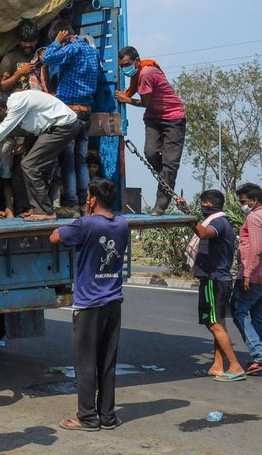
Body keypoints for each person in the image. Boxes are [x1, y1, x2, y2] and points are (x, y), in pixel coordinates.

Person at [50, 178, 129, 431]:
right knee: (107, 362)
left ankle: (87, 417)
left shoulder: (84, 224)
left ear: (92, 198)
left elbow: (54, 237)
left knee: (85, 364)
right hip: (113, 302)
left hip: (89, 305)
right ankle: (107, 416)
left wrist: (84, 215)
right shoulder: (123, 224)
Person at [0, 91, 78, 221]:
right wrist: (26, 144)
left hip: (62, 127)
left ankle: (46, 211)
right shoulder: (14, 100)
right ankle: (36, 208)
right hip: (52, 128)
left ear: (0, 109)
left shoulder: (16, 105)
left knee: (30, 165)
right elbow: (33, 123)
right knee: (27, 163)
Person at [180, 190, 245, 381]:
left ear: (207, 204)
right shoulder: (220, 220)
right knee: (219, 325)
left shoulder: (218, 222)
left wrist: (188, 216)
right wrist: (186, 211)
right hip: (218, 279)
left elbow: (202, 232)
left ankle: (235, 366)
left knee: (213, 324)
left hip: (213, 280)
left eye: (203, 204)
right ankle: (217, 366)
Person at [114, 46, 186, 215]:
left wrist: (127, 100)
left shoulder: (146, 73)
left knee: (170, 164)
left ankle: (160, 205)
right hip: (154, 117)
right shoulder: (138, 74)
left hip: (173, 118)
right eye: (122, 66)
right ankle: (165, 176)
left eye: (127, 64)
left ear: (137, 61)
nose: (125, 69)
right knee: (150, 152)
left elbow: (145, 102)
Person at [42, 20, 100, 218]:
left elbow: (48, 59)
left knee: (67, 161)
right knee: (81, 161)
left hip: (69, 112)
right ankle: (86, 204)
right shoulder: (92, 51)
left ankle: (72, 204)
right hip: (86, 111)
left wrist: (56, 43)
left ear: (63, 35)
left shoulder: (72, 49)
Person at [232, 183, 262, 375]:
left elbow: (256, 248)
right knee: (258, 316)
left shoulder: (254, 217)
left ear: (254, 200)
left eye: (244, 201)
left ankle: (259, 355)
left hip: (254, 275)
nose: (242, 205)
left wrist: (247, 274)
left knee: (239, 312)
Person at [0, 19, 48, 94]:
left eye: (31, 41)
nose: (28, 45)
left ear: (37, 40)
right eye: (24, 41)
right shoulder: (10, 58)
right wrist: (20, 73)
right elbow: (2, 87)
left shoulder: (39, 57)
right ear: (18, 40)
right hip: (18, 101)